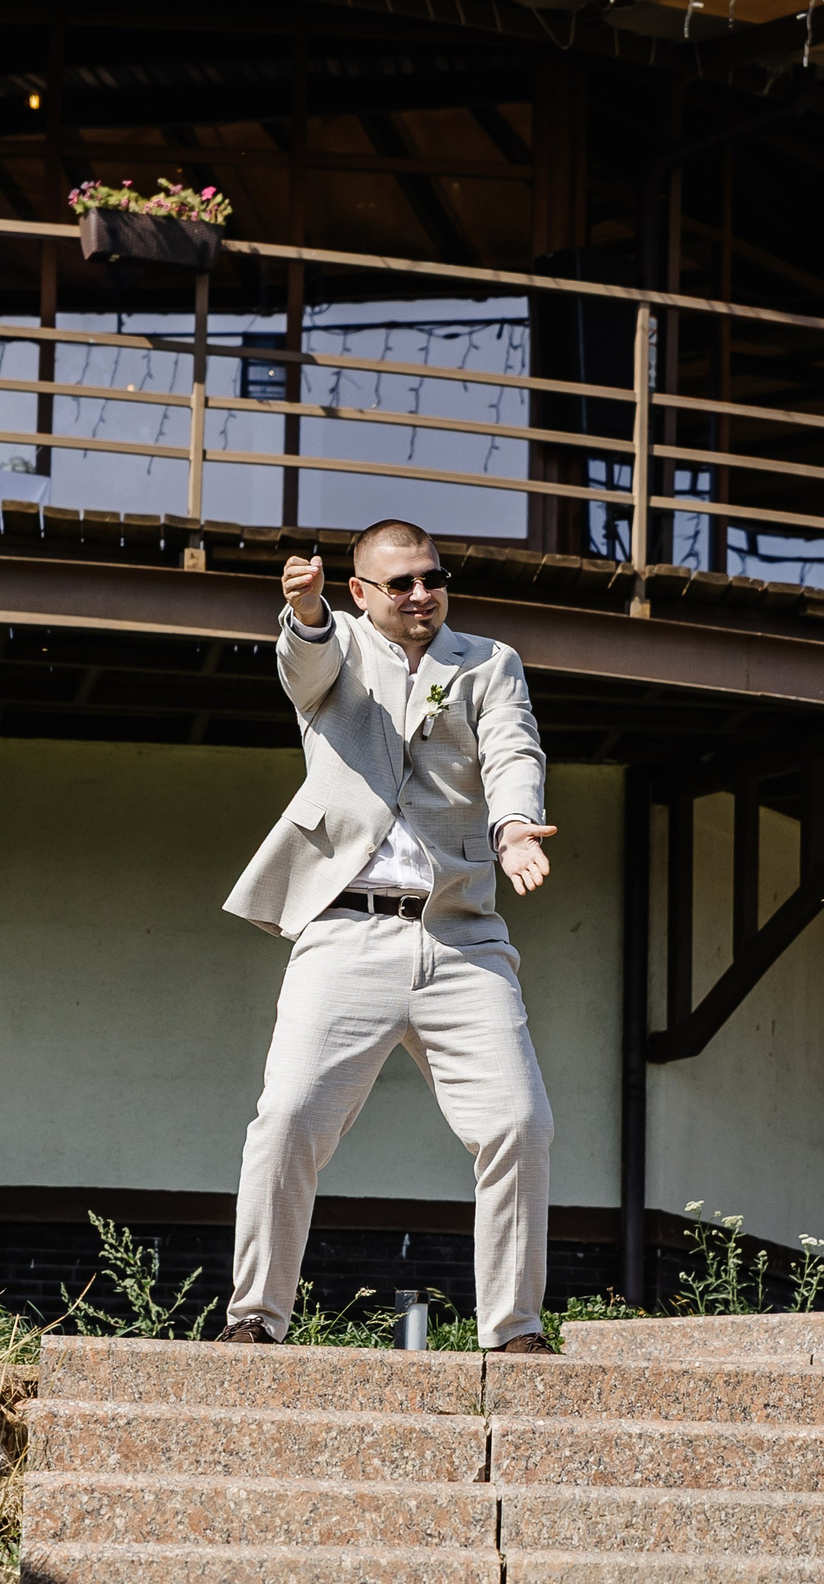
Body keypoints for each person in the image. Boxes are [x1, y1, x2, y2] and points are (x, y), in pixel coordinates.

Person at [219, 517, 560, 1352]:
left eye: (433, 577)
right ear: (363, 592)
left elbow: (515, 751)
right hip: (347, 932)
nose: (422, 594)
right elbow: (306, 666)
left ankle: (514, 1332)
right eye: (401, 582)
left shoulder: (488, 662)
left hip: (460, 940)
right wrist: (303, 614)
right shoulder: (336, 644)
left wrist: (516, 825)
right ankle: (254, 1319)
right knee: (289, 1117)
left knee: (520, 1121)